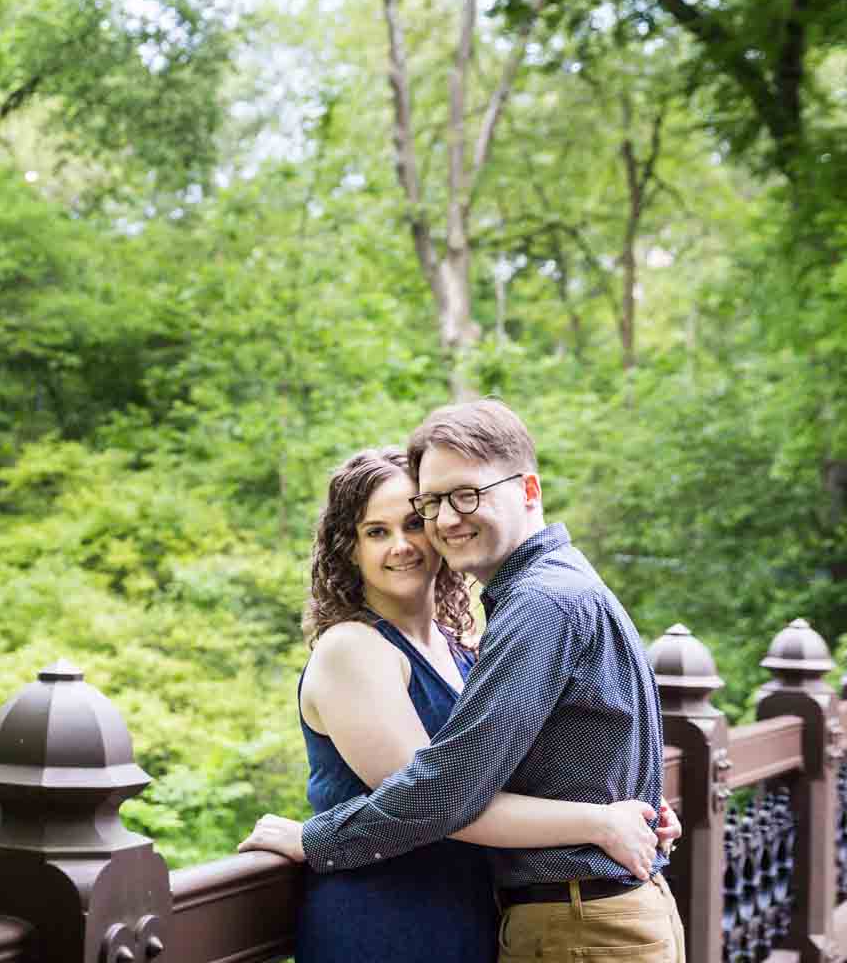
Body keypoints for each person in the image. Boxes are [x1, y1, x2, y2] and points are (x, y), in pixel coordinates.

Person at [241, 402, 685, 963]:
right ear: (346, 548)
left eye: (416, 518)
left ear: (527, 489)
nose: (418, 535)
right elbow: (444, 794)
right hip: (393, 918)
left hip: (535, 915)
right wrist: (604, 820)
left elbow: (461, 786)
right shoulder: (359, 647)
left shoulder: (520, 612)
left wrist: (629, 814)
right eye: (378, 530)